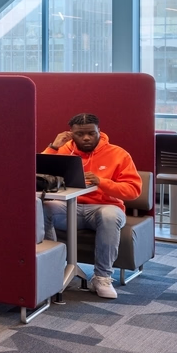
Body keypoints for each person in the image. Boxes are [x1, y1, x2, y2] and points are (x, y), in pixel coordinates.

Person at [43, 112, 141, 300]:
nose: (86, 137)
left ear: (99, 132)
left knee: (109, 216)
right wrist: (53, 147)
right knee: (44, 209)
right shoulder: (63, 151)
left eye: (91, 133)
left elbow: (132, 191)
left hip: (105, 208)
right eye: (80, 134)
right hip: (71, 208)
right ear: (71, 134)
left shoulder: (118, 154)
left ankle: (103, 277)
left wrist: (102, 182)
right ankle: (52, 269)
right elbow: (39, 174)